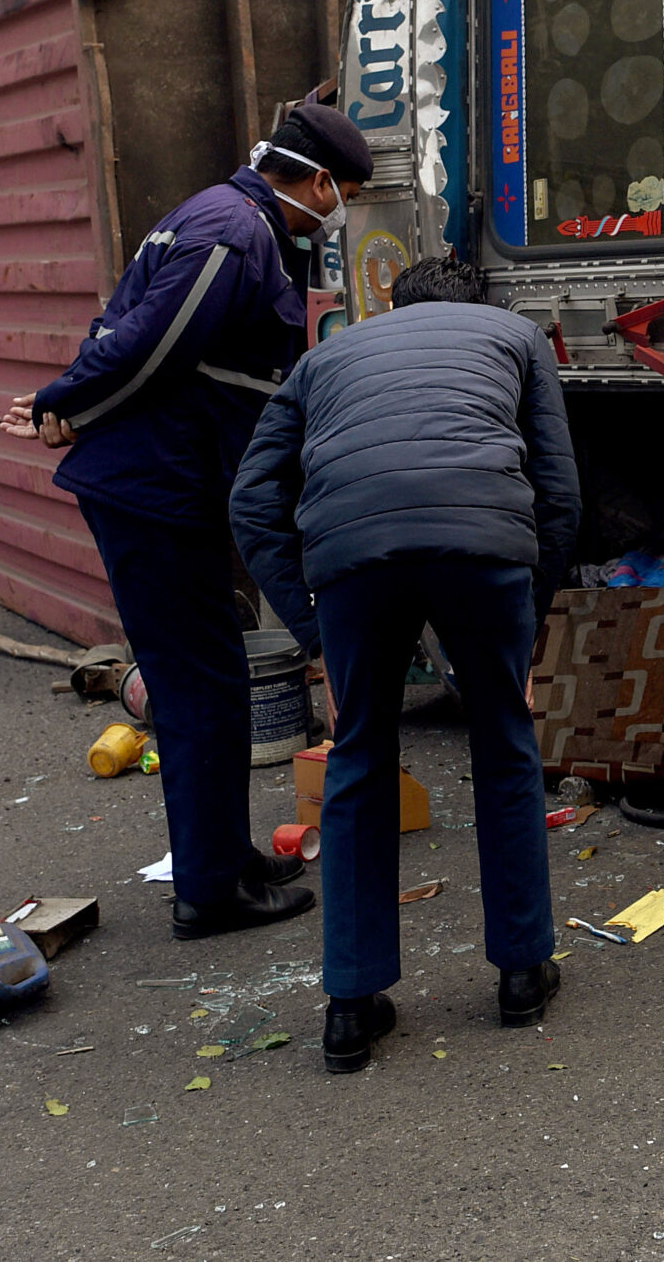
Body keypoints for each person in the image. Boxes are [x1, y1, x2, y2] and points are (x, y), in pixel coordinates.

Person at [0, 96, 372, 941]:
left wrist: (76, 405)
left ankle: (226, 859)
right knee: (199, 687)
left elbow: (132, 333)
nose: (338, 209)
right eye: (341, 191)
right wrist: (68, 402)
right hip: (153, 489)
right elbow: (155, 347)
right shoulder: (233, 233)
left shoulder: (220, 220)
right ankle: (208, 891)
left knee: (214, 678)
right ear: (315, 181)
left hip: (170, 484)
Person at [230, 254, 579, 1073]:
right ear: (478, 303)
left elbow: (251, 498)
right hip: (484, 547)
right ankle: (523, 974)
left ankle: (351, 1009)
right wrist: (530, 624)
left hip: (353, 558)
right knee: (503, 745)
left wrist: (315, 634)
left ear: (391, 303)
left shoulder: (325, 358)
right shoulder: (518, 336)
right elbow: (559, 490)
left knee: (357, 762)